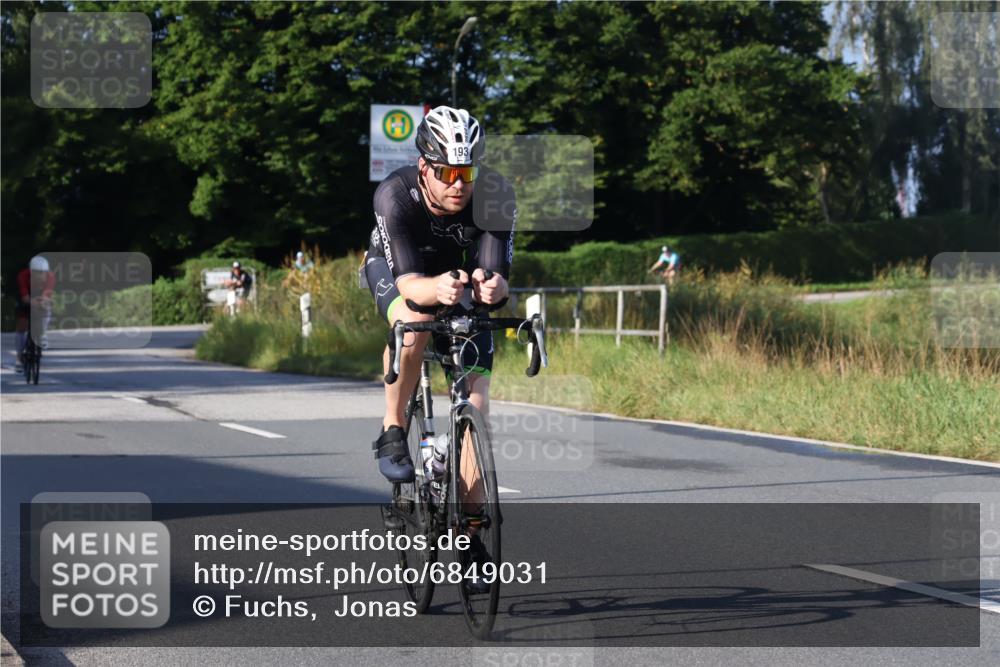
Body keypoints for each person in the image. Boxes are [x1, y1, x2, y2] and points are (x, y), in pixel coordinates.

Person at [363, 105, 516, 483]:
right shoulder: (394, 195)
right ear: (423, 167)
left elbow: (498, 281)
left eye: (467, 173)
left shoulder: (496, 195)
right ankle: (393, 429)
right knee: (413, 321)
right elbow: (411, 285)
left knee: (476, 403)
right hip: (397, 270)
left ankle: (473, 527)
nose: (458, 184)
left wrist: (493, 287)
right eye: (447, 173)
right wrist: (438, 288)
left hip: (456, 278)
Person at [14, 255, 55, 373]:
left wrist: (43, 302)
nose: (41, 276)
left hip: (40, 297)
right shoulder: (23, 275)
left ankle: (42, 334)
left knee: (47, 306)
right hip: (26, 298)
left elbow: (46, 295)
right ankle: (19, 357)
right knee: (21, 326)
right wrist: (32, 302)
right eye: (37, 272)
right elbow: (25, 297)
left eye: (43, 272)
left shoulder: (50, 276)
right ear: (31, 271)